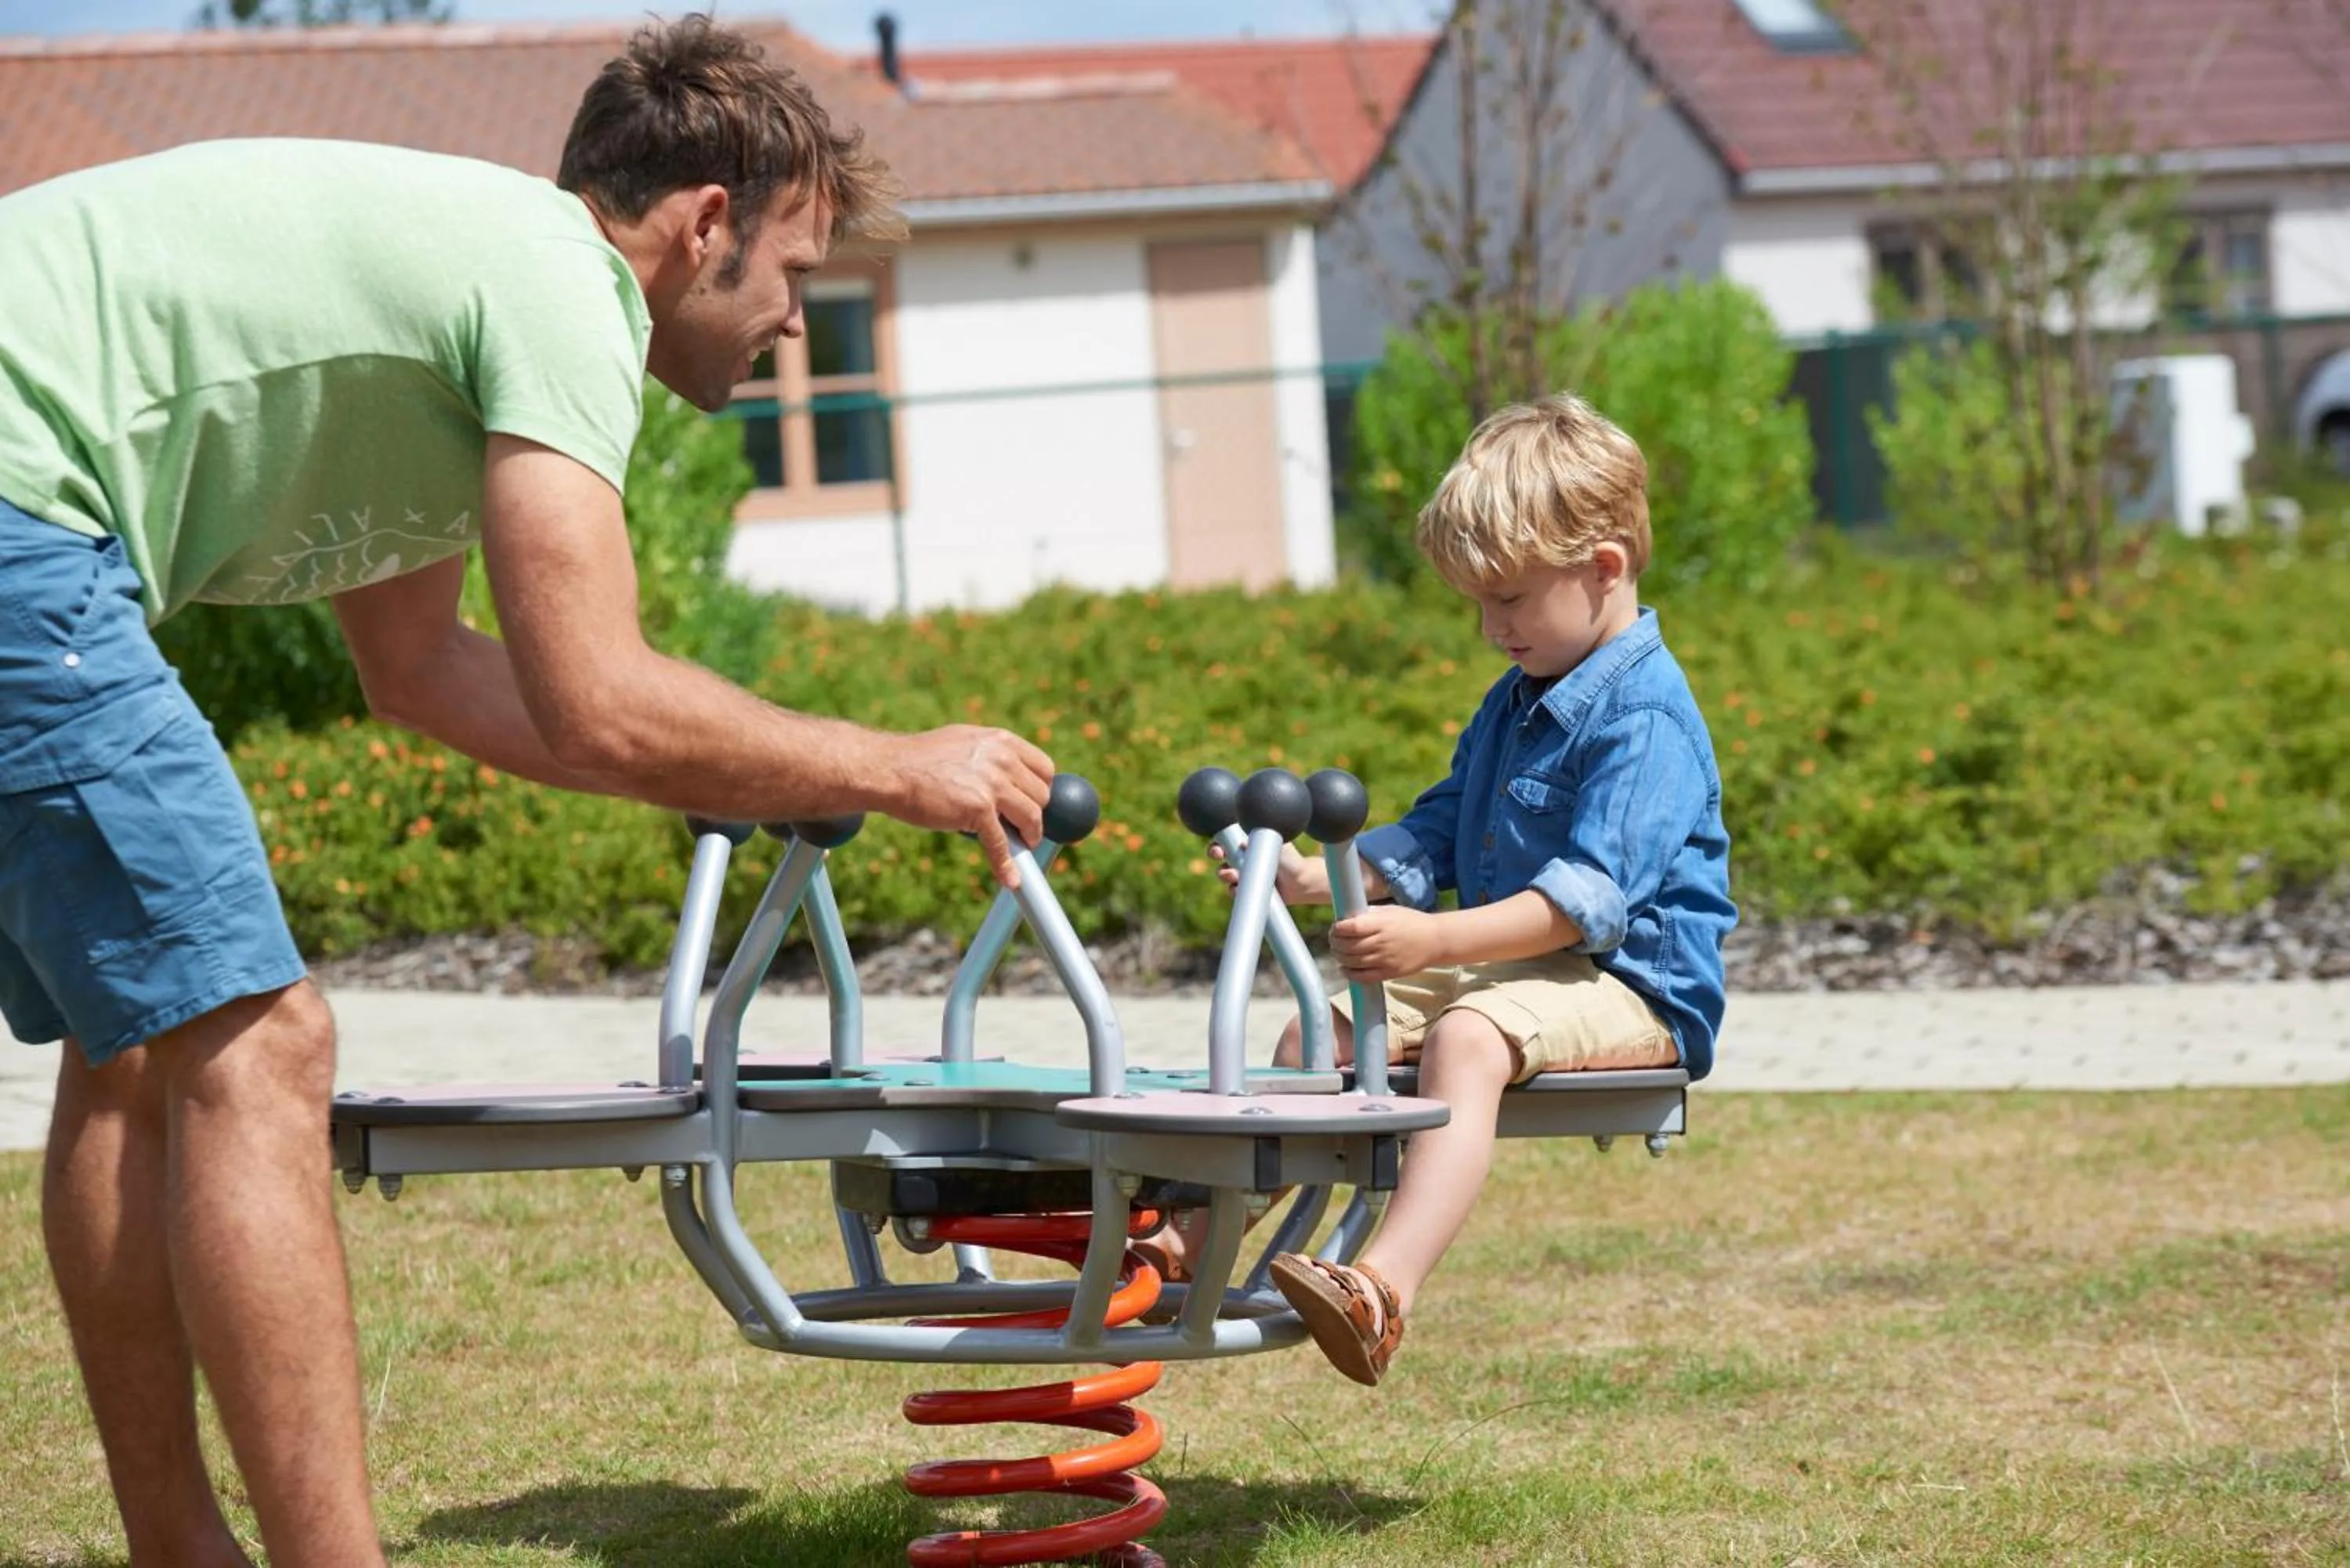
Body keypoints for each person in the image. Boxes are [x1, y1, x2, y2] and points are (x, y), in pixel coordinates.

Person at [0, 17, 1054, 1565]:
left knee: (141, 1050)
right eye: (794, 279)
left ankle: (181, 1545)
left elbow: (424, 665)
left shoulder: (462, 291)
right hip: (23, 507)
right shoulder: (559, 280)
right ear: (706, 224)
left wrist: (748, 767)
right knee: (262, 1040)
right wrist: (894, 764)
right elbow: (603, 697)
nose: (791, 333)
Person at [1173, 393, 1735, 1386]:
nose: (1489, 626)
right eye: (1477, 602)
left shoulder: (1645, 717)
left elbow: (1586, 903)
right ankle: (1187, 1243)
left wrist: (1432, 942)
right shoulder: (1519, 696)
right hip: (1520, 966)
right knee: (1317, 1030)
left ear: (1604, 567)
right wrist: (1317, 878)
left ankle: (1383, 1288)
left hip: (1632, 985)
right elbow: (1440, 823)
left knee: (1467, 1038)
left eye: (1509, 598)